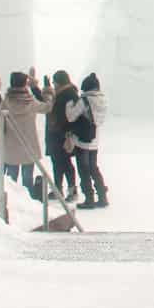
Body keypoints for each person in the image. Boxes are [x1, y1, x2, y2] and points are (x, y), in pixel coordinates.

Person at [0, 71, 46, 199]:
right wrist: (37, 88)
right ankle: (29, 204)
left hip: (11, 145)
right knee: (27, 180)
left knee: (11, 179)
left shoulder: (5, 102)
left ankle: (13, 202)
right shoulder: (31, 102)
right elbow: (48, 108)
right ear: (26, 84)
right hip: (28, 145)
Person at [68, 72, 109, 209]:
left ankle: (89, 198)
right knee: (94, 168)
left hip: (83, 140)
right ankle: (102, 196)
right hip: (95, 139)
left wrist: (69, 105)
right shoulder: (103, 100)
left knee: (83, 169)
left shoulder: (84, 100)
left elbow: (71, 117)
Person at [43, 70, 80, 203]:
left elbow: (52, 108)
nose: (54, 85)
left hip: (62, 134)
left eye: (54, 82)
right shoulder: (64, 93)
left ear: (59, 82)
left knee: (64, 163)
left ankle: (71, 190)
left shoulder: (68, 94)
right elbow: (47, 105)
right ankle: (58, 188)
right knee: (57, 162)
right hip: (56, 133)